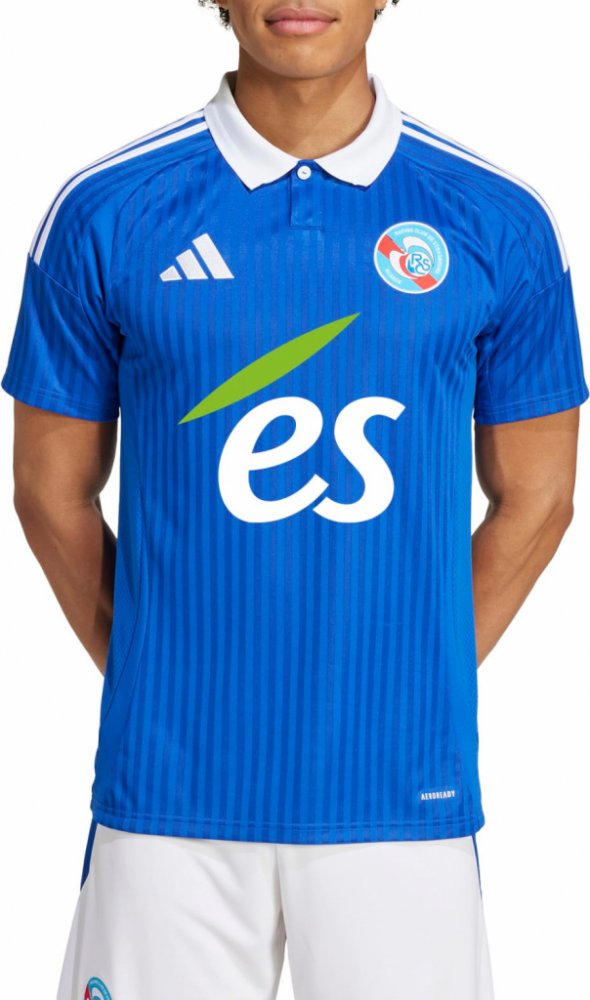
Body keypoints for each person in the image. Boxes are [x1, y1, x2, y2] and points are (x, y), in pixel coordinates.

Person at [2, 0, 588, 996]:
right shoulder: (107, 209)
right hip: (168, 800)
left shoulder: (496, 219)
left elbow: (539, 497)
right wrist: (169, 677)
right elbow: (47, 491)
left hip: (401, 798)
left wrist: (407, 681)